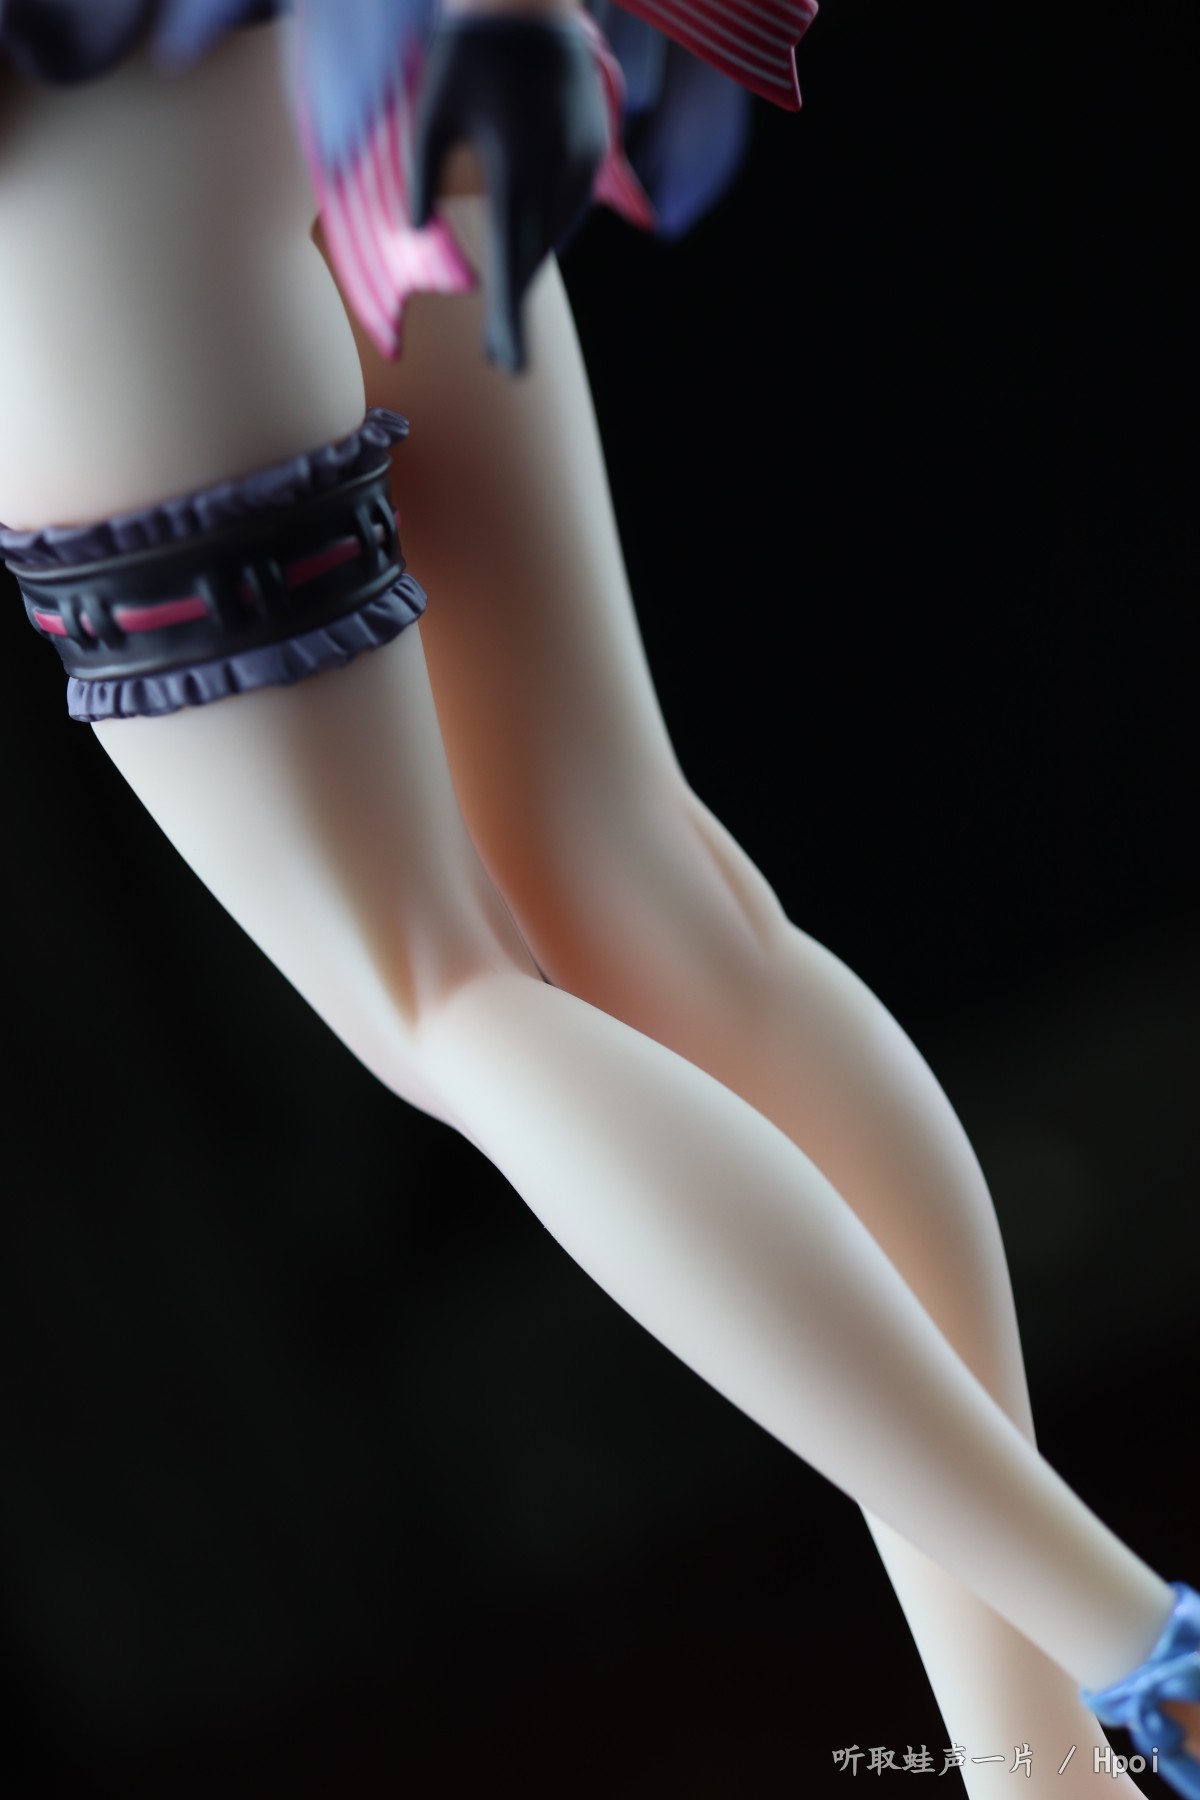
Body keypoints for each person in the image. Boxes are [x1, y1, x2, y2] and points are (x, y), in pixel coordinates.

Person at [0, 4, 1195, 1793]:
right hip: (346, 78)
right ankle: (1039, 1762)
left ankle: (1138, 1651)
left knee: (444, 996)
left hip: (95, 200)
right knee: (669, 904)